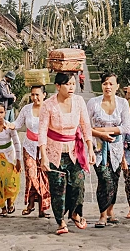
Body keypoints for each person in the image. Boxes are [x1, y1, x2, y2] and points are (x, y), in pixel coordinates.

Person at [39, 72, 95, 235]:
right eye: (67, 84)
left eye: (73, 84)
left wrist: (90, 148)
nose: (71, 87)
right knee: (57, 189)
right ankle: (61, 222)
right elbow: (42, 131)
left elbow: (85, 126)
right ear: (58, 86)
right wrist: (43, 155)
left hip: (74, 151)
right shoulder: (48, 105)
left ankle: (75, 213)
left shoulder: (79, 102)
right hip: (53, 152)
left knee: (78, 184)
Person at [87, 73, 130, 228]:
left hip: (116, 148)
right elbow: (85, 126)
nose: (108, 87)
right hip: (99, 147)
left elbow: (126, 127)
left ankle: (111, 210)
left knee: (114, 180)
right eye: (105, 83)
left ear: (117, 86)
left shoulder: (123, 103)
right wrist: (100, 133)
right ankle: (102, 214)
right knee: (104, 179)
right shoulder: (94, 103)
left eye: (112, 84)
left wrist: (106, 130)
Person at [11, 85, 51, 217]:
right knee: (31, 174)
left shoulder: (49, 109)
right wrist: (7, 124)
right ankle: (31, 203)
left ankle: (41, 207)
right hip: (29, 146)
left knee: (43, 177)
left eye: (37, 94)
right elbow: (17, 124)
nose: (34, 97)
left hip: (45, 148)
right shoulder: (26, 109)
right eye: (32, 95)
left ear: (44, 95)